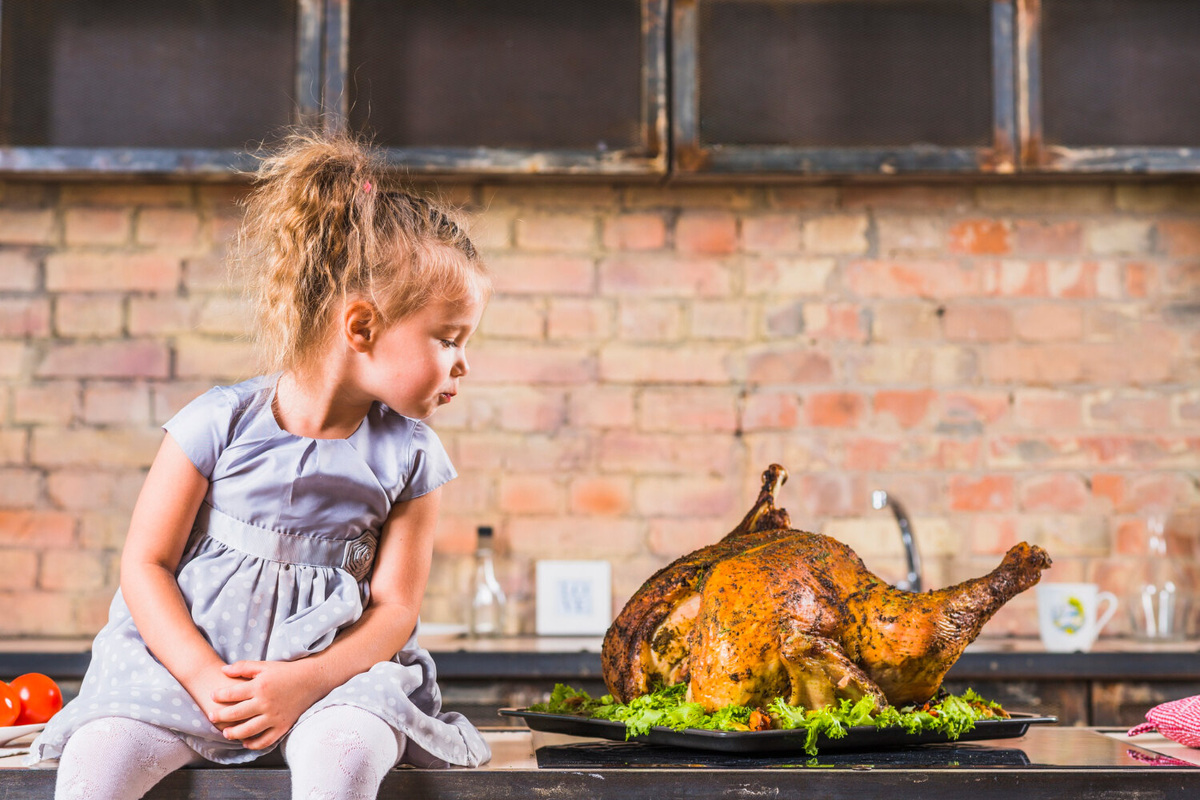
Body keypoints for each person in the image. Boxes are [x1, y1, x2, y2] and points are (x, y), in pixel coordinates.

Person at [29, 132, 492, 800]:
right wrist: (200, 675)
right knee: (97, 761)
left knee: (348, 752)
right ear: (361, 328)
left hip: (335, 682)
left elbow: (394, 609)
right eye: (448, 339)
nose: (462, 364)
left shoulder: (413, 457)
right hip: (187, 672)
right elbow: (145, 564)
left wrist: (305, 682)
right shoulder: (216, 422)